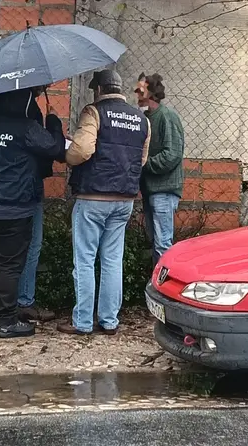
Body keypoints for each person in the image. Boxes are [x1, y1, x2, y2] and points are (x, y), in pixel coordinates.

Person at [0, 87, 66, 339]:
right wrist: (52, 121)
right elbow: (56, 149)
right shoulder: (26, 127)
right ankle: (6, 321)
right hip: (14, 209)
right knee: (9, 265)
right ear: (23, 100)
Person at [57, 70, 151, 335]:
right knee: (112, 260)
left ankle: (83, 322)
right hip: (124, 199)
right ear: (119, 88)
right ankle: (110, 321)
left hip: (93, 198)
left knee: (85, 260)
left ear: (98, 90)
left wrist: (67, 153)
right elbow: (141, 159)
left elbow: (82, 150)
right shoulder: (141, 119)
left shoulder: (93, 112)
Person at [135, 73, 185, 268]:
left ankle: (164, 289)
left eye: (140, 90)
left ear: (152, 93)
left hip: (163, 189)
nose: (136, 94)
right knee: (157, 241)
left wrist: (143, 163)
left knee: (163, 244)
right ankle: (158, 286)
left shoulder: (167, 116)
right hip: (152, 189)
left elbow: (172, 155)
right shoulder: (146, 117)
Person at [17, 85, 57, 323]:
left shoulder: (5, 107)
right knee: (32, 243)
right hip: (29, 186)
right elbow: (49, 146)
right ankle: (24, 300)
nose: (48, 86)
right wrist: (53, 121)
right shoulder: (30, 110)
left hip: (4, 187)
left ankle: (6, 300)